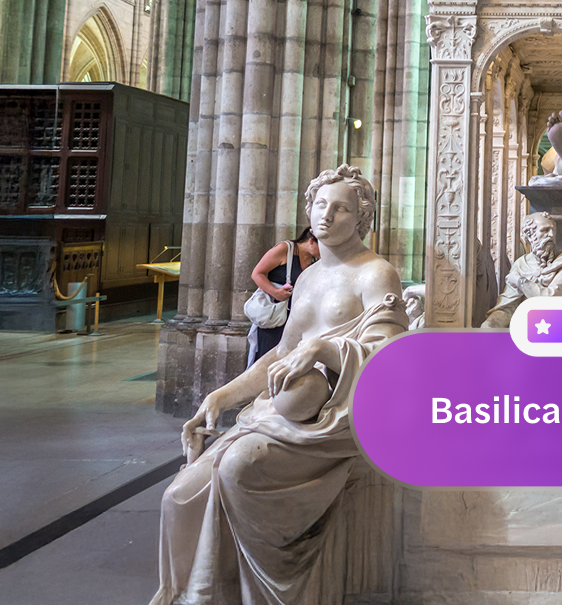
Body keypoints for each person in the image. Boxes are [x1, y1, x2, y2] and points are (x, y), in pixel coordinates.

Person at [151, 165, 408, 605]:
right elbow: (279, 354)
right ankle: (201, 590)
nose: (327, 216)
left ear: (361, 218)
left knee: (237, 470)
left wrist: (324, 352)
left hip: (332, 419)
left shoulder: (375, 274)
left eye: (341, 208)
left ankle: (266, 592)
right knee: (179, 495)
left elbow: (390, 359)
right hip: (280, 411)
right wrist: (222, 395)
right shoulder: (307, 278)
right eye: (321, 205)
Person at [482, 213, 562, 327]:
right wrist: (491, 324)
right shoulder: (521, 265)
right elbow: (507, 308)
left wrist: (521, 281)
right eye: (545, 230)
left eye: (553, 230)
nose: (551, 235)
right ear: (530, 235)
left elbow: (551, 302)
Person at [245, 227, 319, 365]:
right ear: (311, 241)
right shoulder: (285, 249)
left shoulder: (315, 261)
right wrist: (275, 292)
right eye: (323, 246)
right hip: (276, 317)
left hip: (297, 319)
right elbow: (257, 273)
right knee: (268, 361)